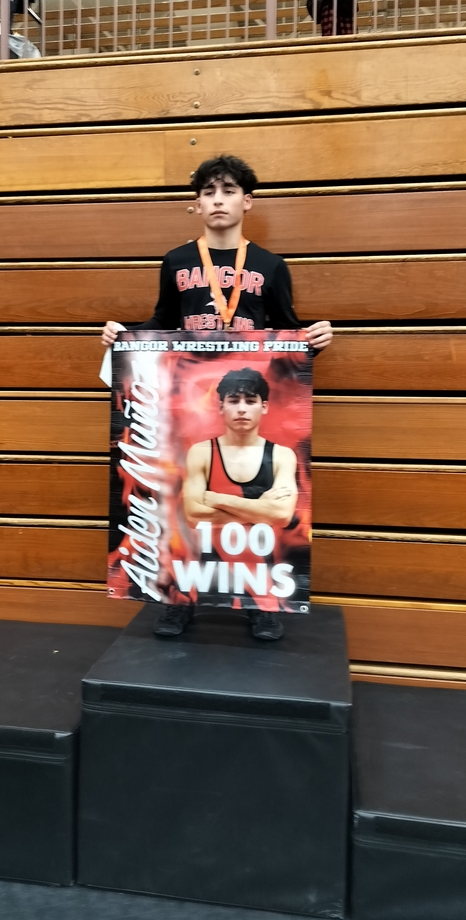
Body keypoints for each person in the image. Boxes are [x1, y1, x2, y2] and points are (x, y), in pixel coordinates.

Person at [101, 153, 333, 639]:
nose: (218, 200)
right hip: (187, 403)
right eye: (208, 192)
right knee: (182, 505)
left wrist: (315, 336)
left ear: (248, 201)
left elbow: (288, 330)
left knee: (251, 498)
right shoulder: (177, 262)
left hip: (245, 400)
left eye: (228, 191)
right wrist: (124, 334)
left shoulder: (269, 266)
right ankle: (179, 598)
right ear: (196, 205)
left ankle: (261, 601)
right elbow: (161, 323)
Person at [181, 368, 299, 641]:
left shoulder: (282, 455)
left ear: (264, 406)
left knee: (262, 563)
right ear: (221, 406)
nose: (242, 409)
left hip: (260, 560)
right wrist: (259, 507)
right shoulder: (201, 451)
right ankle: (182, 602)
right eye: (234, 401)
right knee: (179, 558)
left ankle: (261, 606)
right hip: (205, 558)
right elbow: (192, 514)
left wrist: (217, 498)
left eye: (250, 401)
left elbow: (282, 515)